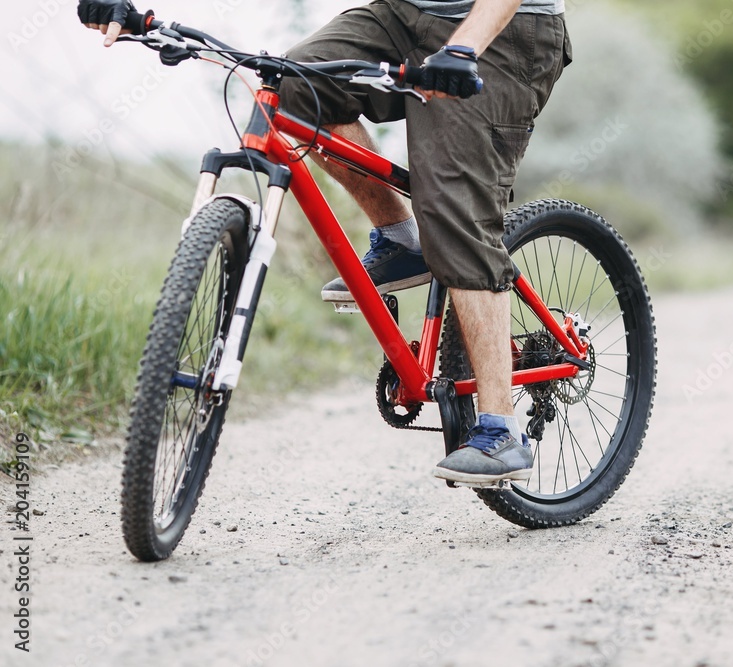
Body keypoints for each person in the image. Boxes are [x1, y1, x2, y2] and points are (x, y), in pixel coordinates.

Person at [78, 0, 571, 485]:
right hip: (404, 13)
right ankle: (403, 240)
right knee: (295, 87)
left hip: (505, 28)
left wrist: (464, 48)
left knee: (451, 203)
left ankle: (500, 429)